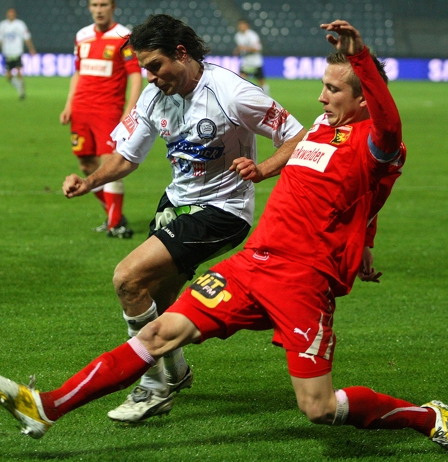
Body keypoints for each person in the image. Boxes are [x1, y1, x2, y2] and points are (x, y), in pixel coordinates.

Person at [0, 19, 448, 458]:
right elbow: (362, 198)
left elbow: (387, 137)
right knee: (156, 334)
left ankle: (429, 418)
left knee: (318, 408)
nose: (321, 98)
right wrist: (267, 172)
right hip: (252, 264)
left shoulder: (376, 141)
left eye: (333, 89)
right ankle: (46, 407)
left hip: (304, 280)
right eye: (324, 87)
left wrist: (362, 58)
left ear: (363, 97)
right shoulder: (319, 133)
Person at [59, 14, 305, 422]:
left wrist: (264, 169)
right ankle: (176, 373)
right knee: (153, 305)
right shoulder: (154, 98)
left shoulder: (232, 92)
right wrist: (90, 182)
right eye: (145, 69)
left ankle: (153, 388)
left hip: (222, 212)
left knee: (127, 278)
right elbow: (125, 157)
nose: (151, 77)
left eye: (155, 66)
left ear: (181, 53)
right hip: (175, 205)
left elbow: (297, 135)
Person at [60, 0, 143, 238]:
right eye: (94, 4)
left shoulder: (123, 35)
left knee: (109, 165)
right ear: (89, 7)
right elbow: (78, 71)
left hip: (108, 111)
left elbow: (135, 75)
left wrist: (130, 109)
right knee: (86, 165)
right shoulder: (82, 36)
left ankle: (116, 224)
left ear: (112, 7)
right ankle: (112, 214)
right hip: (81, 110)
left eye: (103, 4)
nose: (99, 9)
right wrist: (68, 104)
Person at [0, 8, 36, 100]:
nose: (11, 15)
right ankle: (19, 86)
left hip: (17, 52)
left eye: (12, 14)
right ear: (7, 15)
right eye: (9, 14)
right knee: (8, 76)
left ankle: (21, 92)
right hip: (7, 52)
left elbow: (26, 37)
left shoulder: (20, 24)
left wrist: (31, 49)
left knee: (19, 72)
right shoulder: (2, 25)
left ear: (15, 15)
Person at [233, 19, 269, 95]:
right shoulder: (238, 36)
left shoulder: (252, 35)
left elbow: (258, 48)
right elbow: (240, 47)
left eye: (243, 25)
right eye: (240, 25)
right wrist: (237, 50)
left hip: (255, 62)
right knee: (241, 79)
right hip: (246, 62)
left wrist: (245, 48)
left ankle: (267, 96)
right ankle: (241, 97)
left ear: (247, 26)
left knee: (261, 81)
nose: (241, 27)